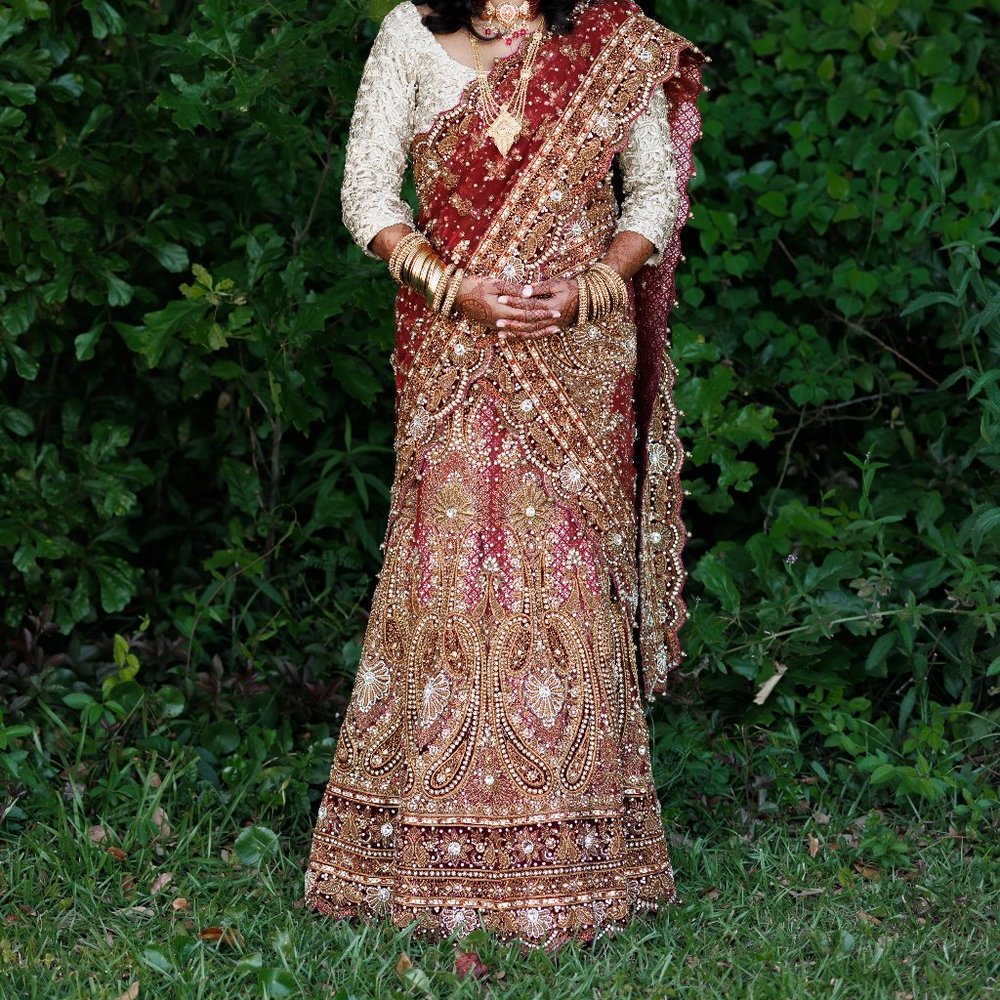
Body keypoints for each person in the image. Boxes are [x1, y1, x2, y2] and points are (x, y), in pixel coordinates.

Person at [304, 0, 708, 952]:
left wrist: (592, 289)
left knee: (562, 578)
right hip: (452, 350)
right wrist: (455, 289)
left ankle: (580, 864)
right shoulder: (409, 32)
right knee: (446, 575)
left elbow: (653, 193)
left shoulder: (608, 41)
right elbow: (367, 194)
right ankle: (424, 860)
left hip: (575, 361)